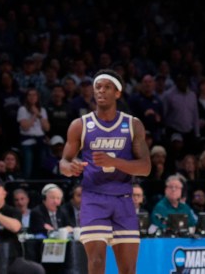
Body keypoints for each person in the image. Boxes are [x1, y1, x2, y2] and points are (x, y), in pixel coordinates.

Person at [60, 69, 151, 274]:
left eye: (107, 87)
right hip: (94, 198)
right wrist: (70, 167)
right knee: (97, 262)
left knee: (128, 270)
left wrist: (114, 161)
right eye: (97, 87)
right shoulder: (80, 125)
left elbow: (146, 167)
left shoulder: (132, 124)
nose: (101, 91)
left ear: (118, 93)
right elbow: (63, 163)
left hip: (123, 198)